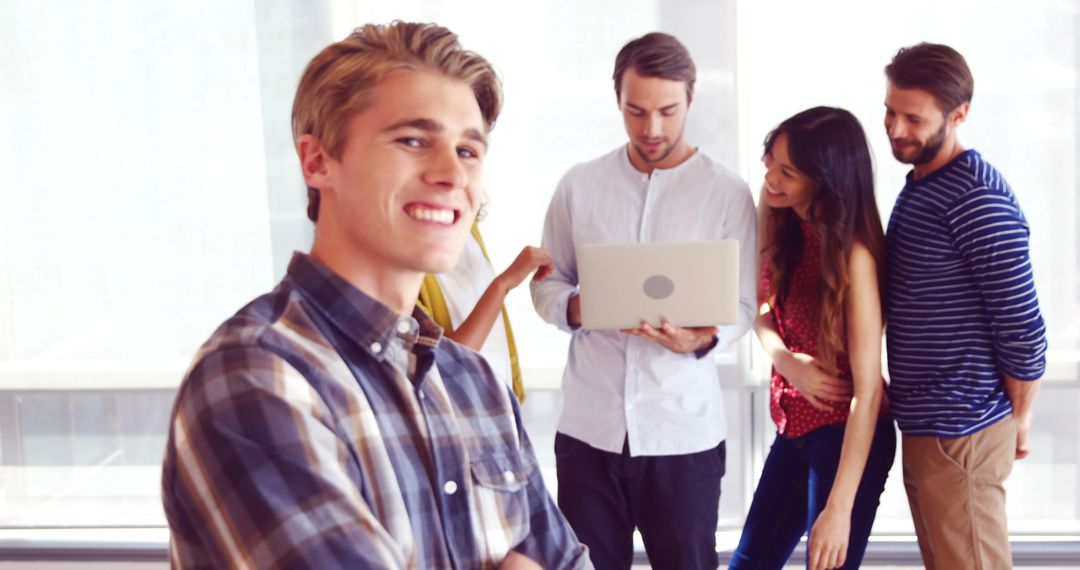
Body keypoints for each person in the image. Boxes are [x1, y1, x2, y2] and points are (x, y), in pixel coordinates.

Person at [161, 21, 589, 569]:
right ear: (318, 162)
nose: (450, 173)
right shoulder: (256, 377)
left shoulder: (475, 382)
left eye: (467, 150)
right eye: (413, 140)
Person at [531, 32, 756, 569]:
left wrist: (698, 339)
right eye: (635, 111)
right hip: (589, 432)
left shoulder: (726, 193)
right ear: (617, 100)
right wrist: (584, 307)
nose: (651, 129)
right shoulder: (579, 186)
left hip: (683, 436)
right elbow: (545, 284)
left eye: (667, 111)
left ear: (691, 100)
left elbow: (744, 304)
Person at [882, 42, 1047, 569]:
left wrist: (1020, 416)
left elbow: (1022, 324)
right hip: (933, 430)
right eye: (890, 111)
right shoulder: (925, 186)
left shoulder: (975, 197)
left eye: (914, 118)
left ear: (959, 115)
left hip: (964, 433)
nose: (895, 128)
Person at [728, 107, 895, 570]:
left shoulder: (854, 254)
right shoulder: (779, 212)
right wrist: (785, 360)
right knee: (748, 563)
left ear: (824, 180)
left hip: (848, 435)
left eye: (787, 171)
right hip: (794, 425)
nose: (770, 177)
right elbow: (760, 306)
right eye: (770, 161)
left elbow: (867, 391)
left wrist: (839, 507)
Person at [417, 220, 553, 402]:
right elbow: (447, 370)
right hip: (463, 414)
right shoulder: (406, 256)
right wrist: (503, 284)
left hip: (500, 404)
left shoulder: (469, 228)